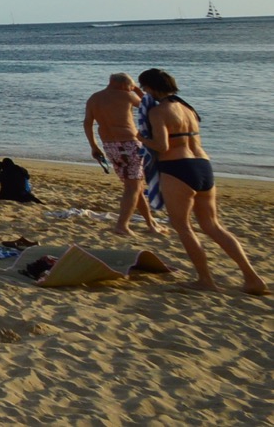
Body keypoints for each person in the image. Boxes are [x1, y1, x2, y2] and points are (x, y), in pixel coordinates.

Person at [138, 68, 266, 294]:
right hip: (203, 166)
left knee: (183, 227)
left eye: (145, 87)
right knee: (213, 226)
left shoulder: (159, 112)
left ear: (152, 87)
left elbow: (162, 146)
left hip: (177, 167)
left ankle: (206, 280)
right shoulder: (188, 108)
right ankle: (252, 277)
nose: (144, 92)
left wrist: (138, 136)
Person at [84, 73, 165, 236]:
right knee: (133, 187)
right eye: (131, 86)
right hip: (128, 144)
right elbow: (150, 108)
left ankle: (151, 222)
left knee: (135, 187)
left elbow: (87, 123)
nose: (133, 89)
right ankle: (122, 225)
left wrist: (94, 146)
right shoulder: (127, 95)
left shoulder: (94, 98)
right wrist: (136, 90)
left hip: (109, 145)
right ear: (123, 85)